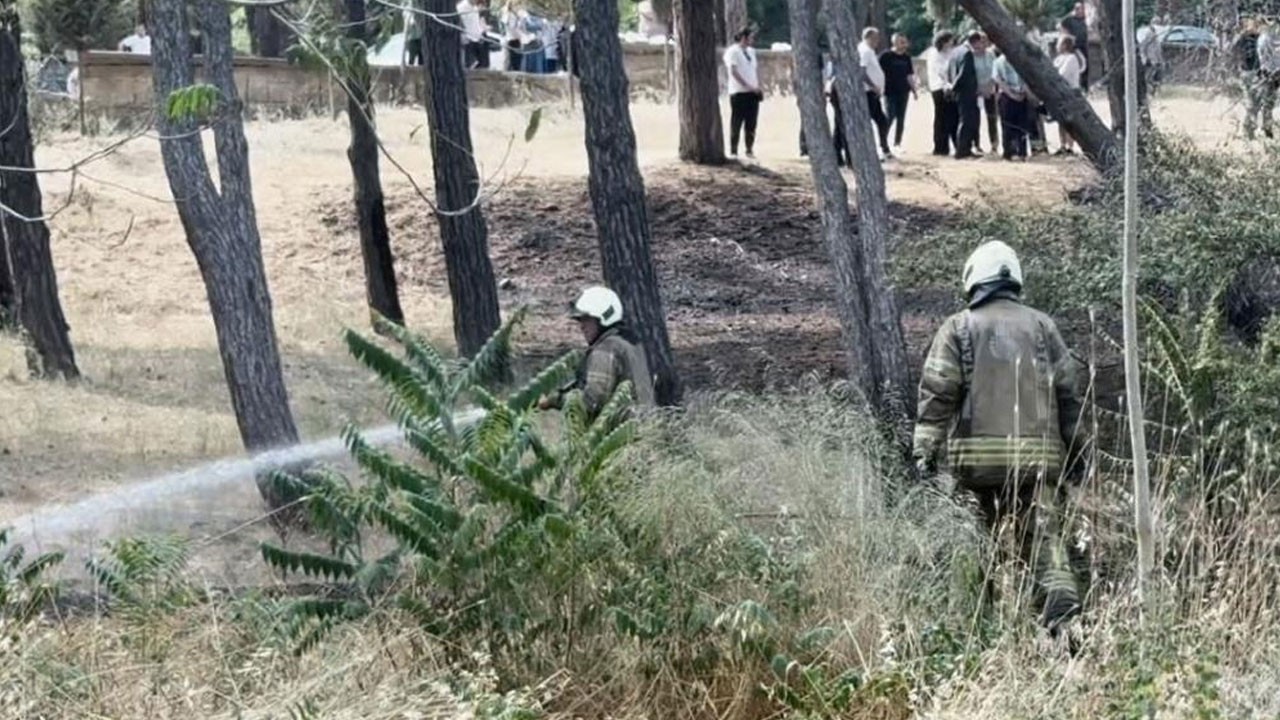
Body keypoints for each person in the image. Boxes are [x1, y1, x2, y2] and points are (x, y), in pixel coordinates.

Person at [914, 240, 1085, 635]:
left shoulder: (957, 328)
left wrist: (924, 453)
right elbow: (1070, 396)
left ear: (974, 278)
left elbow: (938, 394)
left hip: (975, 469)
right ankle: (1064, 626)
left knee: (975, 546)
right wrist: (1078, 453)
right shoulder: (1044, 327)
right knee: (1046, 546)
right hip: (1037, 464)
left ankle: (977, 628)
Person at [538, 286, 655, 421]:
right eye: (580, 320)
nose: (582, 326)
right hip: (642, 430)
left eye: (587, 319)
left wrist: (554, 400)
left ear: (604, 317)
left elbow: (592, 402)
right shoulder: (628, 343)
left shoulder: (606, 349)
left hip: (621, 436)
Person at [724, 27, 762, 159]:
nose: (752, 40)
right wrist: (746, 85)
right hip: (739, 92)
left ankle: (749, 149)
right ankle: (734, 150)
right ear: (743, 37)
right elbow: (733, 71)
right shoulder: (733, 52)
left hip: (753, 92)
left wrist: (756, 86)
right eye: (750, 37)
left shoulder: (751, 52)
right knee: (737, 121)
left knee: (751, 122)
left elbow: (753, 70)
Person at [859, 27, 893, 159]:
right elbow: (862, 72)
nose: (877, 41)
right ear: (868, 37)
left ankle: (883, 148)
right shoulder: (865, 51)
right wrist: (873, 86)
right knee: (880, 120)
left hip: (873, 92)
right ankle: (882, 148)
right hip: (868, 92)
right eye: (875, 38)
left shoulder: (869, 51)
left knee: (881, 120)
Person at [879, 33, 918, 151]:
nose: (904, 45)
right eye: (901, 42)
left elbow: (909, 75)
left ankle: (897, 143)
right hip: (890, 91)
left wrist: (914, 90)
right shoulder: (886, 56)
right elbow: (878, 72)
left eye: (905, 42)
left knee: (901, 118)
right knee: (890, 116)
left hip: (903, 91)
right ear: (894, 42)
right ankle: (883, 142)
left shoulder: (906, 57)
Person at [948, 31, 984, 160]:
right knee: (967, 121)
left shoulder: (955, 51)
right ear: (975, 41)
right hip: (966, 92)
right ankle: (962, 150)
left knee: (964, 120)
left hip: (959, 91)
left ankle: (964, 148)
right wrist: (955, 87)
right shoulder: (967, 53)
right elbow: (964, 73)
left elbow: (950, 71)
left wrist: (951, 86)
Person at [927, 31, 959, 156]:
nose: (952, 43)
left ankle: (956, 144)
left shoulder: (951, 52)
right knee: (941, 118)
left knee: (953, 117)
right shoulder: (934, 53)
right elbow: (940, 71)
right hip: (939, 88)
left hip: (951, 87)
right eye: (950, 40)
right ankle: (940, 147)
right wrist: (946, 86)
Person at [1053, 35, 1086, 155]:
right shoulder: (1058, 59)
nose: (1057, 46)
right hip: (1060, 92)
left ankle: (1070, 145)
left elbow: (1063, 74)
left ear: (1065, 45)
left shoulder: (1072, 58)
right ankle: (1062, 144)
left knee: (1070, 120)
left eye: (1059, 43)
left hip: (1071, 91)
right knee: (1061, 120)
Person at [993, 50, 1029, 160]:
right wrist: (1011, 94)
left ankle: (1022, 152)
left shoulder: (1021, 60)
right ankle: (1008, 152)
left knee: (1022, 126)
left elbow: (1027, 76)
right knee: (1007, 125)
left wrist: (1023, 92)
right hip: (1007, 96)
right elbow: (998, 79)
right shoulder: (998, 62)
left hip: (1022, 95)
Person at [1254, 16, 1280, 140]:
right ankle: (1266, 128)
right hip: (1271, 73)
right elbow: (1267, 58)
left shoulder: (1267, 38)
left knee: (1268, 102)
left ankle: (1267, 127)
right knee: (1268, 102)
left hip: (1272, 72)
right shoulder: (1265, 38)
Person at [973, 32, 998, 155]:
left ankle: (994, 144)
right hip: (976, 91)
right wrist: (979, 89)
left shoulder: (990, 54)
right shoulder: (970, 56)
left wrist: (989, 87)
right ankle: (976, 144)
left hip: (990, 90)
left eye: (984, 41)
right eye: (980, 41)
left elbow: (995, 72)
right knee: (975, 118)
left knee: (992, 118)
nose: (982, 44)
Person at [1059, 2, 1090, 92]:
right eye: (1078, 9)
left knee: (1085, 65)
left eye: (1081, 9)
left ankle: (1085, 87)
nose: (1080, 11)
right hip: (1074, 46)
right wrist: (1067, 35)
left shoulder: (1084, 19)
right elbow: (1060, 24)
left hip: (1083, 45)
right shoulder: (1070, 19)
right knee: (1075, 65)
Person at [1137, 16, 1165, 94]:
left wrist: (1161, 60)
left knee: (1157, 77)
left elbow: (1158, 50)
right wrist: (1145, 58)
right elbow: (1143, 47)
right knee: (1149, 78)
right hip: (1150, 60)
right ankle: (1148, 92)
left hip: (1157, 60)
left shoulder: (1156, 35)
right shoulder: (1148, 34)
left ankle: (1154, 91)